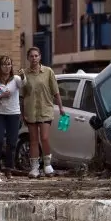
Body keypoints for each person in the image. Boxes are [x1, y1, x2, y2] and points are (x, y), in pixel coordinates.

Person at [19, 47, 65, 178]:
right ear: (28, 58)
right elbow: (23, 95)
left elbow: (56, 91)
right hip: (31, 110)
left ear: (40, 57)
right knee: (33, 140)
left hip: (45, 108)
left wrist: (61, 108)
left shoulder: (48, 72)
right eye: (31, 56)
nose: (34, 58)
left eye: (36, 56)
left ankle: (47, 165)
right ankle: (34, 168)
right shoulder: (24, 74)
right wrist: (22, 114)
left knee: (44, 137)